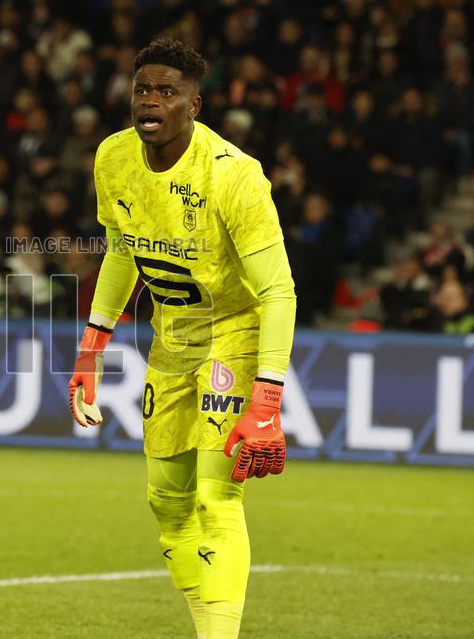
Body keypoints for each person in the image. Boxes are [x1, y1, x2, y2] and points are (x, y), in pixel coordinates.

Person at [67, 38, 295, 639]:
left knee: (216, 499)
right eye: (143, 89)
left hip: (234, 334)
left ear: (194, 104)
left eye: (167, 92)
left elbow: (279, 292)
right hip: (171, 338)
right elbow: (122, 249)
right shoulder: (113, 158)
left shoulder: (235, 177)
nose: (150, 101)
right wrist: (92, 347)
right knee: (167, 502)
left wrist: (267, 399)